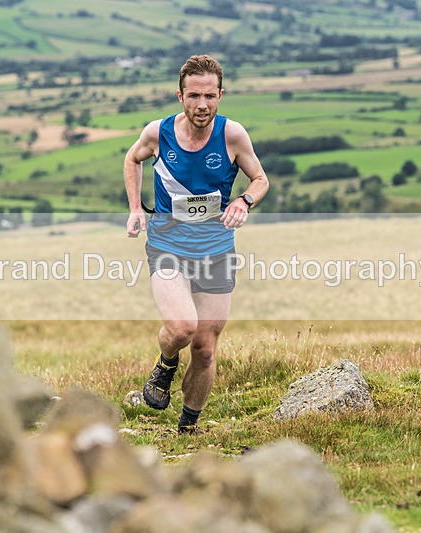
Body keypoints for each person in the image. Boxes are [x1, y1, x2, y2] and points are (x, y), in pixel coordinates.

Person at [123, 54, 269, 433]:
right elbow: (132, 159)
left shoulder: (232, 135)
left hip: (216, 252)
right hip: (168, 246)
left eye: (209, 96)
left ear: (221, 95)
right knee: (182, 328)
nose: (201, 105)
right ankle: (166, 364)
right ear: (180, 96)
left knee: (204, 349)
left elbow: (260, 180)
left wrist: (244, 201)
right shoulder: (158, 133)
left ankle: (188, 427)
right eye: (193, 96)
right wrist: (136, 208)